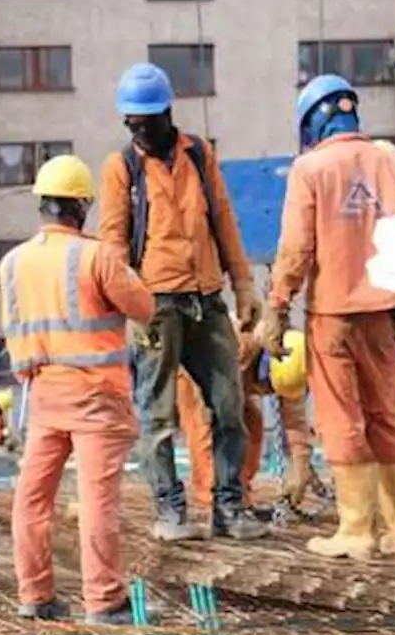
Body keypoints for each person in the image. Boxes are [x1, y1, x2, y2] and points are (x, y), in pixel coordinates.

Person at [257, 74, 395, 562]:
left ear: (312, 122)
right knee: (384, 417)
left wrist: (277, 306)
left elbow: (295, 249)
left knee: (341, 419)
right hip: (388, 312)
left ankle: (357, 530)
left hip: (334, 312)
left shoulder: (311, 168)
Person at [98, 62, 268, 542]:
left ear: (165, 113)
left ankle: (229, 507)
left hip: (206, 298)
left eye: (147, 120)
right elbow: (113, 242)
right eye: (131, 122)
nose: (140, 130)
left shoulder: (198, 155)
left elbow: (224, 220)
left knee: (228, 405)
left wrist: (243, 284)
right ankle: (170, 511)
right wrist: (129, 306)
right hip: (155, 304)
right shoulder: (121, 168)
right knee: (156, 415)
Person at [2, 154, 157, 625]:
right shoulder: (96, 257)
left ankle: (35, 594)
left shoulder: (13, 262)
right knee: (96, 501)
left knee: (32, 498)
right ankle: (104, 601)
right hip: (95, 396)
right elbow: (145, 306)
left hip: (44, 392)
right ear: (82, 206)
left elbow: (13, 327)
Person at [179, 324, 316, 513]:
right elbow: (207, 414)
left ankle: (241, 495)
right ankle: (216, 499)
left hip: (240, 380)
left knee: (253, 425)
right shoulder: (238, 347)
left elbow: (295, 421)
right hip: (199, 373)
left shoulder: (293, 359)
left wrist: (301, 467)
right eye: (267, 387)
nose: (267, 393)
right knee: (206, 430)